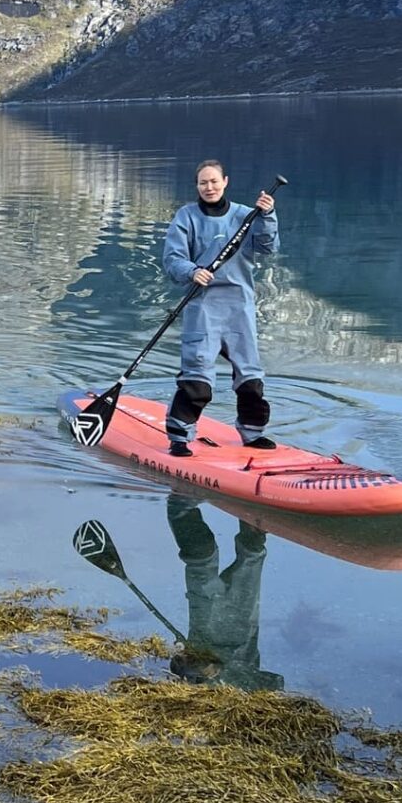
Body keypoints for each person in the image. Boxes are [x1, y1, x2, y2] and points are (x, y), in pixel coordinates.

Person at [160, 159, 279, 458]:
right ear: (197, 186)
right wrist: (192, 271)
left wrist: (268, 215)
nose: (209, 187)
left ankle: (253, 435)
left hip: (239, 307)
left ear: (225, 181)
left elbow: (268, 247)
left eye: (214, 181)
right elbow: (172, 260)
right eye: (203, 182)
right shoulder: (186, 217)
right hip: (203, 308)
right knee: (197, 377)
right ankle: (179, 438)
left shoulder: (245, 215)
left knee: (250, 377)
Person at [165, 494, 284, 690]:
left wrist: (187, 665)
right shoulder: (248, 702)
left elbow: (178, 669)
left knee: (201, 557)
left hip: (207, 632)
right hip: (243, 626)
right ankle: (251, 495)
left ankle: (179, 501)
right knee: (252, 549)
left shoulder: (196, 699)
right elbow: (275, 683)